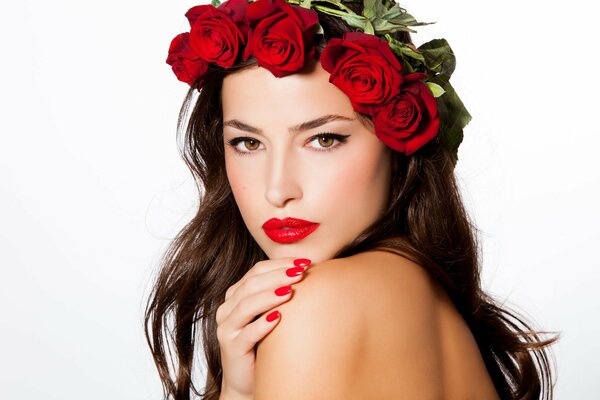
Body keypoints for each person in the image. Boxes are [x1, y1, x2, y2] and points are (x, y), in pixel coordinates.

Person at [145, 0, 559, 399]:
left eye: (324, 139)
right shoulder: (422, 293)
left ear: (396, 144)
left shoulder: (316, 304)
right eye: (248, 142)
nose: (278, 189)